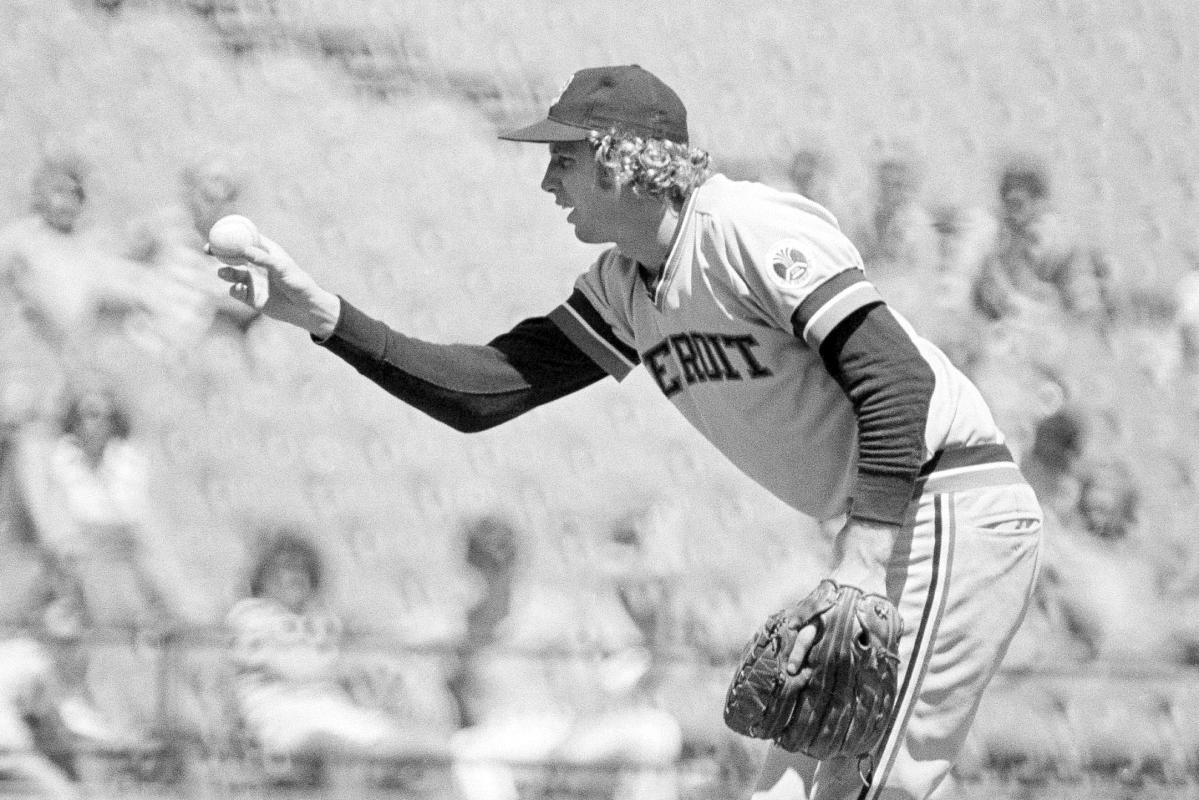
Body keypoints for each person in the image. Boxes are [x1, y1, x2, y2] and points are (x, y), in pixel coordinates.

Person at [211, 65, 1044, 800]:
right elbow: (480, 392)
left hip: (944, 507)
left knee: (881, 782)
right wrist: (323, 315)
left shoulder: (745, 228)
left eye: (562, 158)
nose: (546, 182)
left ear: (620, 157)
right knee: (789, 790)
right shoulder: (624, 285)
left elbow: (897, 379)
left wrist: (861, 558)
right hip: (887, 526)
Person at [446, 514, 683, 800]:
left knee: (657, 730)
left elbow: (605, 682)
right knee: (468, 753)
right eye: (484, 559)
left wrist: (662, 619)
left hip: (563, 733)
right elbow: (446, 711)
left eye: (501, 556)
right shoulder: (458, 628)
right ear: (471, 564)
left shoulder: (552, 614)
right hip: (501, 738)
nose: (494, 568)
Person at [226, 529, 441, 789]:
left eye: (302, 568)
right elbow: (292, 667)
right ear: (264, 575)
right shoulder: (251, 616)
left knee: (423, 748)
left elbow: (360, 653)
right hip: (287, 720)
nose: (294, 575)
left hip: (336, 713)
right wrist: (345, 668)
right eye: (284, 567)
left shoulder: (318, 621)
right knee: (339, 751)